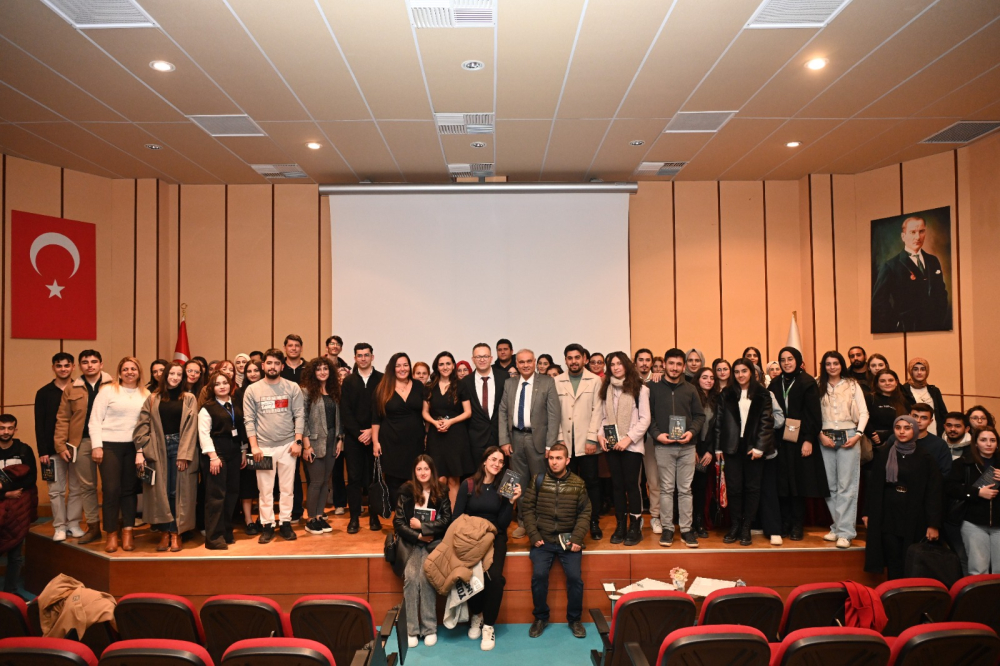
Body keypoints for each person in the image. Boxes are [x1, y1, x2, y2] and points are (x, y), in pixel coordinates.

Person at [521, 443, 590, 640]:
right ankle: (541, 618)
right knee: (539, 576)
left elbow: (585, 513)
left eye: (559, 458)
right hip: (543, 540)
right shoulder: (538, 480)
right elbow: (527, 509)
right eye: (551, 458)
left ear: (567, 460)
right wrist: (534, 536)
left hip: (569, 542)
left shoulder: (578, 483)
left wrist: (577, 538)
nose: (554, 462)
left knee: (575, 579)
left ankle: (575, 619)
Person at [455, 447, 520, 651]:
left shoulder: (504, 487)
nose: (497, 464)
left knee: (494, 578)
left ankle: (488, 626)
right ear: (484, 461)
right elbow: (457, 517)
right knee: (472, 575)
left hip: (494, 536)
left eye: (501, 461)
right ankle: (476, 615)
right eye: (493, 459)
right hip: (469, 538)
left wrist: (511, 502)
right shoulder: (468, 484)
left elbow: (502, 523)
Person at [864, 415, 942, 579]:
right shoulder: (885, 454)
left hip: (914, 514)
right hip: (889, 514)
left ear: (914, 430)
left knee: (911, 559)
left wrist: (933, 524)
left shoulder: (925, 457)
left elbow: (933, 492)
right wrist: (867, 512)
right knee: (893, 560)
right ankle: (895, 596)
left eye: (907, 428)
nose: (902, 432)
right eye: (898, 428)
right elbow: (873, 486)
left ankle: (910, 597)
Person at [133, 361, 199, 552]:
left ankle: (176, 533)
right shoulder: (153, 398)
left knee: (177, 492)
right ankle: (164, 533)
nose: (175, 377)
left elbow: (191, 428)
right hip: (158, 448)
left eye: (179, 374)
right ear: (165, 376)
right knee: (160, 492)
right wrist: (143, 449)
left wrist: (184, 454)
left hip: (181, 446)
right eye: (172, 374)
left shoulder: (189, 398)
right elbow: (142, 426)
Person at [244, 348, 306, 544]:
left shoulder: (292, 387)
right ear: (263, 366)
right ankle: (267, 525)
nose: (272, 367)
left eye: (276, 363)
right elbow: (249, 420)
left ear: (282, 366)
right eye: (269, 363)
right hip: (263, 448)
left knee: (287, 489)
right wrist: (254, 446)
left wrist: (298, 442)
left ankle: (285, 523)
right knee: (265, 490)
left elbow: (299, 416)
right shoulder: (252, 390)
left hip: (288, 446)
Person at [498, 349, 561, 539]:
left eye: (529, 361)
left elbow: (554, 415)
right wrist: (504, 440)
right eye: (521, 362)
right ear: (516, 364)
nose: (525, 365)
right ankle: (524, 523)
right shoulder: (509, 384)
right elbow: (502, 412)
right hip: (515, 439)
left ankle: (542, 522)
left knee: (540, 483)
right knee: (519, 483)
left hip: (539, 441)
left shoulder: (547, 382)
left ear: (534, 362)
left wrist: (551, 444)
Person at [90, 357, 149, 553]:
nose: (129, 372)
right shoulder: (108, 391)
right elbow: (95, 420)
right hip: (109, 446)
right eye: (125, 369)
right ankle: (111, 534)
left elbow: (147, 425)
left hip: (134, 448)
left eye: (133, 368)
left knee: (129, 491)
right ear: (119, 372)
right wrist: (97, 446)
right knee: (111, 490)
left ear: (139, 372)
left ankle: (127, 532)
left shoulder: (146, 394)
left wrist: (141, 450)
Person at [648, 348, 706, 548]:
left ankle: (687, 530)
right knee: (666, 489)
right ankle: (667, 529)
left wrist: (691, 432)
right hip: (663, 446)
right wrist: (657, 435)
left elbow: (699, 416)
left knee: (685, 490)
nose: (674, 368)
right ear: (664, 364)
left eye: (678, 364)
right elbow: (649, 417)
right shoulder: (652, 387)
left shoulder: (690, 389)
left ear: (683, 366)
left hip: (687, 447)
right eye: (670, 363)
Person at [53, 349, 111, 545]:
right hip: (82, 443)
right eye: (85, 362)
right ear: (80, 366)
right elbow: (63, 418)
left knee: (112, 486)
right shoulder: (72, 388)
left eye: (94, 361)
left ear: (101, 364)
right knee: (87, 487)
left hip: (109, 442)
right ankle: (93, 527)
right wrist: (61, 445)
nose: (90, 365)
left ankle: (114, 527)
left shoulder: (113, 385)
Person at [714, 359, 775, 546]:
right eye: (737, 372)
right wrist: (718, 447)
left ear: (751, 372)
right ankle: (735, 525)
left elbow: (767, 422)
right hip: (732, 447)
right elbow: (719, 421)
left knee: (752, 488)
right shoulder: (727, 393)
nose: (740, 375)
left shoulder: (763, 394)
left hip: (753, 448)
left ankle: (746, 526)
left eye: (744, 371)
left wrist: (760, 447)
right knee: (734, 488)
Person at [769, 347, 827, 541]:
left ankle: (796, 524)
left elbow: (813, 414)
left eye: (790, 359)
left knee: (797, 484)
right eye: (783, 360)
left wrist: (809, 439)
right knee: (782, 483)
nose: (786, 363)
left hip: (800, 439)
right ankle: (784, 523)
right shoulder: (775, 383)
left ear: (798, 360)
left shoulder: (807, 382)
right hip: (779, 439)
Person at [394, 455, 452, 648]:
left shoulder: (442, 491)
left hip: (433, 543)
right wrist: (418, 535)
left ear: (432, 471)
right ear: (415, 472)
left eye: (426, 469)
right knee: (411, 578)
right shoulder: (406, 492)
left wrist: (424, 527)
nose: (423, 473)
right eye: (419, 469)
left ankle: (429, 628)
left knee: (426, 577)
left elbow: (446, 520)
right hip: (412, 543)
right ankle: (412, 629)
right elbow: (399, 523)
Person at [817, 351, 869, 549]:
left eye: (835, 363)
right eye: (828, 364)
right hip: (825, 435)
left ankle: (846, 532)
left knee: (847, 485)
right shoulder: (818, 384)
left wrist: (858, 434)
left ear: (841, 365)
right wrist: (820, 435)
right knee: (830, 486)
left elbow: (864, 412)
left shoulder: (852, 384)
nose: (832, 367)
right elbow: (813, 413)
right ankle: (837, 527)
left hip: (849, 434)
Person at [598, 352, 650, 546]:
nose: (616, 367)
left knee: (631, 486)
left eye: (620, 363)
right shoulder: (606, 388)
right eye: (612, 364)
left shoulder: (640, 389)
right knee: (617, 486)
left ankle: (635, 526)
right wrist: (600, 435)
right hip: (612, 446)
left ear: (626, 365)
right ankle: (620, 524)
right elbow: (603, 417)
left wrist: (628, 439)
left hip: (632, 446)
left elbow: (645, 419)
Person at [554, 344, 604, 540]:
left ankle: (593, 521)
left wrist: (592, 438)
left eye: (577, 357)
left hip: (587, 443)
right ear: (565, 360)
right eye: (569, 358)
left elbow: (598, 410)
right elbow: (555, 413)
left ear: (584, 359)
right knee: (568, 485)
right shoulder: (557, 381)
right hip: (565, 443)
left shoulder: (594, 381)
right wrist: (559, 441)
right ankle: (572, 522)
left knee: (591, 483)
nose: (573, 361)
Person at [872, 215, 951, 332]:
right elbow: (879, 302)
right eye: (913, 232)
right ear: (903, 236)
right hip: (907, 328)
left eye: (921, 231)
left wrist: (939, 319)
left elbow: (941, 293)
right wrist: (896, 322)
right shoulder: (890, 266)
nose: (917, 237)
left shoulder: (933, 260)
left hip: (934, 327)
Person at [35, 352, 81, 542]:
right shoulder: (44, 393)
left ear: (73, 367)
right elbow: (39, 423)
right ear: (53, 367)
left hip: (77, 448)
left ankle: (73, 524)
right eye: (59, 365)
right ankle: (60, 527)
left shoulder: (80, 390)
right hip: (52, 451)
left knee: (77, 489)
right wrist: (43, 451)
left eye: (67, 365)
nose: (63, 369)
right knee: (56, 490)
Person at [198, 372, 246, 549]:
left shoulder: (235, 404)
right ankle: (214, 538)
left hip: (234, 451)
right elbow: (203, 434)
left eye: (225, 383)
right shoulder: (207, 408)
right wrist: (213, 457)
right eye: (217, 384)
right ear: (212, 388)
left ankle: (226, 531)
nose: (222, 386)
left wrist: (243, 450)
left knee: (232, 493)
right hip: (216, 454)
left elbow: (240, 428)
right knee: (216, 496)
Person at [372, 353, 426, 506]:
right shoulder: (383, 388)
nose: (402, 368)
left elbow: (426, 412)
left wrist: (427, 434)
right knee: (394, 482)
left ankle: (413, 518)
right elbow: (376, 418)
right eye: (398, 365)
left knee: (415, 480)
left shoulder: (418, 386)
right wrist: (375, 442)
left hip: (415, 441)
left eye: (405, 365)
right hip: (391, 442)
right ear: (392, 368)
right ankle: (399, 521)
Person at [341, 343, 383, 533]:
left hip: (376, 437)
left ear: (372, 357)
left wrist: (371, 432)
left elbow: (382, 409)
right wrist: (359, 433)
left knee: (374, 479)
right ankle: (354, 518)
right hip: (354, 439)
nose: (363, 358)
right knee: (355, 479)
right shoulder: (348, 382)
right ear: (355, 358)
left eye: (367, 355)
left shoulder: (382, 379)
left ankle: (374, 517)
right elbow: (346, 411)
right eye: (360, 355)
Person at [946, 426, 999, 576]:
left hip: (999, 524)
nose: (988, 444)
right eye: (983, 440)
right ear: (975, 443)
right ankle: (979, 600)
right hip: (973, 523)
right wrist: (977, 492)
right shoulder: (963, 463)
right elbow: (950, 488)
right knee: (978, 569)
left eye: (992, 440)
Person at [423, 352, 473, 508]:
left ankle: (453, 517)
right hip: (436, 436)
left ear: (453, 365)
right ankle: (438, 516)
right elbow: (425, 412)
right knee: (439, 478)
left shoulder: (461, 385)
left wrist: (450, 422)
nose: (445, 367)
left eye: (448, 363)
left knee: (453, 478)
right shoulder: (429, 387)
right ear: (437, 367)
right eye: (441, 364)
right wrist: (435, 422)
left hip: (456, 435)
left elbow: (468, 412)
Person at [301, 358, 343, 536]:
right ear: (313, 372)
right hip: (314, 442)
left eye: (326, 369)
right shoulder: (306, 392)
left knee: (326, 482)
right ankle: (310, 519)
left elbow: (339, 417)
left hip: (333, 441)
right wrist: (306, 445)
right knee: (316, 482)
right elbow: (301, 419)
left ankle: (319, 515)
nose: (323, 372)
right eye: (318, 369)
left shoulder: (334, 391)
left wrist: (341, 439)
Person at [0, 413, 37, 596]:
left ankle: (11, 592)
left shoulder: (24, 450)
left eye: (9, 428)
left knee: (15, 553)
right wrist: (4, 493)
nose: (5, 432)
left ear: (15, 429)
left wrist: (11, 489)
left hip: (18, 507)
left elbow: (31, 478)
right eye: (2, 428)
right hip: (2, 501)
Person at [461, 343, 507, 470]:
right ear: (473, 359)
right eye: (478, 357)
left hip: (500, 437)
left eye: (485, 356)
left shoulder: (504, 378)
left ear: (491, 358)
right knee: (478, 478)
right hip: (475, 439)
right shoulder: (465, 382)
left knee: (500, 477)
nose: (482, 359)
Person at [634, 349, 662, 533]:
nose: (644, 363)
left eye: (647, 360)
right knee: (634, 481)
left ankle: (655, 517)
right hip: (632, 437)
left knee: (654, 480)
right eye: (641, 360)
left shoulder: (659, 382)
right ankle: (636, 517)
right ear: (635, 362)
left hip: (651, 437)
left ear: (652, 363)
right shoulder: (628, 381)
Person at [235, 360, 262, 534]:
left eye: (256, 370)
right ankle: (248, 520)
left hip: (267, 443)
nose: (252, 374)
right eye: (249, 371)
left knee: (264, 484)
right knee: (247, 484)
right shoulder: (239, 392)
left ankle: (262, 518)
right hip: (247, 445)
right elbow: (239, 421)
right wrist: (244, 448)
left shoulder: (268, 388)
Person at [692, 368, 717, 540]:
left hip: (708, 449)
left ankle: (698, 522)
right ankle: (687, 522)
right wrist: (691, 448)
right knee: (687, 488)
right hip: (691, 447)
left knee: (700, 487)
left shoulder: (717, 399)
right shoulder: (691, 396)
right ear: (698, 379)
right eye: (705, 377)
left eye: (711, 378)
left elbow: (719, 428)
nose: (708, 380)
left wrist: (711, 451)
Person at [866, 370, 914, 448]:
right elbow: (863, 419)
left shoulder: (903, 400)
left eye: (891, 380)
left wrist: (885, 435)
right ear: (877, 383)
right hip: (874, 442)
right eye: (882, 381)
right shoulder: (870, 398)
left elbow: (908, 421)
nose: (887, 383)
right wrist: (873, 435)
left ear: (896, 382)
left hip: (898, 441)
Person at [902, 358, 948, 436]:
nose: (919, 372)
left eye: (923, 369)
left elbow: (943, 413)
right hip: (911, 434)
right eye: (915, 369)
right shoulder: (903, 390)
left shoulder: (934, 390)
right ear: (910, 371)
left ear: (927, 372)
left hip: (934, 432)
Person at [909, 403, 953, 478]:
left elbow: (945, 472)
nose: (918, 420)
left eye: (924, 418)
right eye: (915, 416)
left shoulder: (939, 444)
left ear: (930, 421)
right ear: (909, 416)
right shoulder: (896, 439)